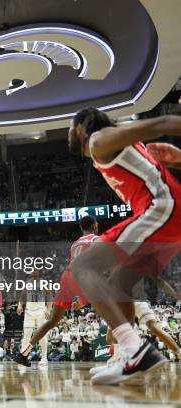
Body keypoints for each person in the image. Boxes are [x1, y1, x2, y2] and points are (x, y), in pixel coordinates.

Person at [68, 108, 181, 384]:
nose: (67, 134)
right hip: (170, 216)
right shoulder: (114, 145)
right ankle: (127, 356)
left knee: (83, 266)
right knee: (121, 280)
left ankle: (134, 348)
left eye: (70, 127)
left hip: (162, 210)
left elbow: (164, 122)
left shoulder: (98, 140)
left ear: (82, 128)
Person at [14, 216, 98, 367]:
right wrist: (84, 298)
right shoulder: (96, 239)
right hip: (81, 277)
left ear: (81, 228)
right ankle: (122, 354)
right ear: (94, 225)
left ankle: (23, 354)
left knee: (52, 321)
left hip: (66, 277)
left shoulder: (75, 244)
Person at [16, 268, 51, 366]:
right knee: (27, 334)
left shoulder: (44, 283)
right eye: (33, 271)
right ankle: (23, 357)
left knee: (42, 335)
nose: (34, 272)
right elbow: (22, 297)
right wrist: (19, 305)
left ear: (39, 272)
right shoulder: (27, 283)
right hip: (28, 312)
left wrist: (48, 310)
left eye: (36, 270)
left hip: (41, 312)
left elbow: (50, 297)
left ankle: (44, 357)